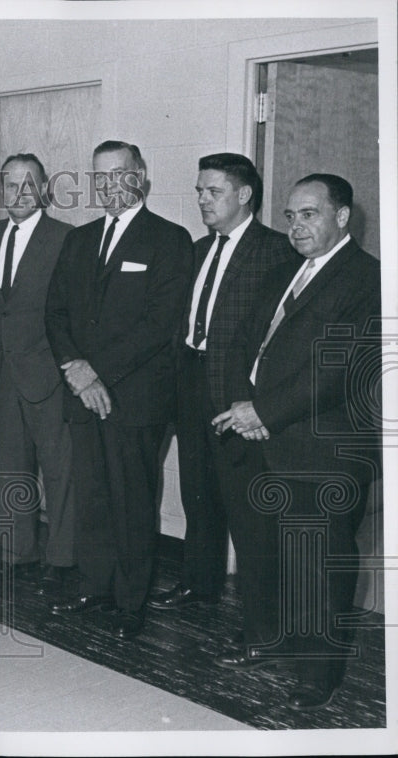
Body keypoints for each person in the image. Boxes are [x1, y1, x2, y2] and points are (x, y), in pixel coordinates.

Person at [212, 174, 380, 711]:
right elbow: (244, 343)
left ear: (343, 217)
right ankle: (267, 640)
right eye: (289, 216)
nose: (296, 226)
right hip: (262, 437)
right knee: (263, 551)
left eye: (309, 214)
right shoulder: (286, 273)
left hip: (322, 449)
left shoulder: (370, 279)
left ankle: (317, 673)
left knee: (317, 565)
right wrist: (246, 409)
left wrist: (262, 411)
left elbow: (337, 369)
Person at [44, 141, 192, 639]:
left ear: (141, 177)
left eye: (118, 175)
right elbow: (56, 313)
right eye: (99, 178)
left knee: (131, 500)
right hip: (83, 394)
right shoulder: (79, 239)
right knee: (92, 497)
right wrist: (76, 372)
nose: (108, 187)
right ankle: (96, 586)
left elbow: (159, 324)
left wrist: (94, 373)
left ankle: (131, 602)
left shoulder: (170, 240)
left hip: (133, 399)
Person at [148, 153, 296, 611]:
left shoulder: (275, 250)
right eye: (199, 191)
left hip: (236, 393)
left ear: (244, 194)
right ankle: (199, 583)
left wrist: (257, 398)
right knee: (197, 492)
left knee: (246, 506)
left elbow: (280, 334)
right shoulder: (197, 248)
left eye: (213, 192)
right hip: (189, 380)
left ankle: (258, 612)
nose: (202, 200)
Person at [0, 153, 76, 598]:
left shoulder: (67, 239)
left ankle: (61, 559)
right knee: (11, 471)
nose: (17, 193)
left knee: (60, 472)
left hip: (48, 376)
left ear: (44, 190)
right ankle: (18, 554)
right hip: (1, 377)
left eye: (28, 184)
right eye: (8, 184)